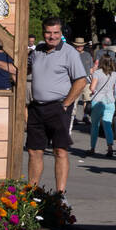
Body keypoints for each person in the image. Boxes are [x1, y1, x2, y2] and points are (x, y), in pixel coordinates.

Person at [26, 17, 88, 200]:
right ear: (43, 32)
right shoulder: (37, 51)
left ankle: (60, 194)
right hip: (37, 107)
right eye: (48, 32)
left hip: (59, 107)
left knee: (60, 150)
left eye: (55, 33)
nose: (51, 36)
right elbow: (25, 70)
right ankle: (32, 192)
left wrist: (65, 104)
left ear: (61, 34)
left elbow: (81, 81)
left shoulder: (69, 52)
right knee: (34, 150)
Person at [87, 55, 116, 158]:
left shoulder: (97, 73)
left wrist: (93, 91)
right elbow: (113, 88)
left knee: (95, 125)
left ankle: (92, 148)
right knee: (107, 125)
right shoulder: (114, 74)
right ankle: (110, 147)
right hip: (110, 101)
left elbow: (92, 87)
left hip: (98, 101)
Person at [72, 37, 94, 121]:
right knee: (74, 100)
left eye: (81, 46)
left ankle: (85, 116)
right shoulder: (72, 54)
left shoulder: (87, 55)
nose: (79, 47)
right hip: (76, 81)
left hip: (87, 80)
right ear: (75, 46)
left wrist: (92, 81)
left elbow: (91, 69)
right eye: (78, 46)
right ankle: (73, 116)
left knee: (87, 100)